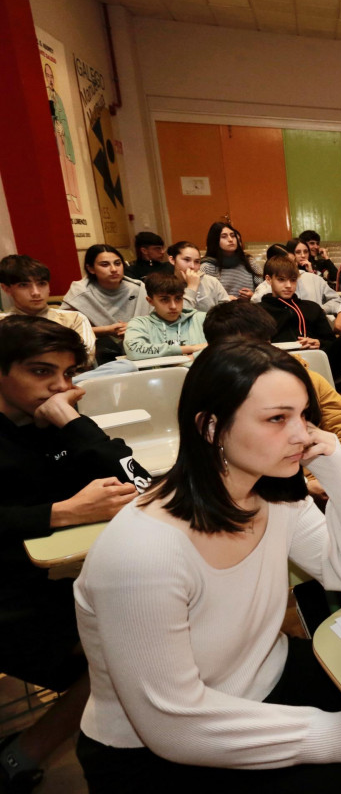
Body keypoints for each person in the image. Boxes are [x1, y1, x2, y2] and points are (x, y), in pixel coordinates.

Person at [72, 341, 341, 791]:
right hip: (158, 748)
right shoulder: (143, 552)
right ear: (210, 428)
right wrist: (337, 737)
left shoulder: (272, 493)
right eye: (277, 419)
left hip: (265, 676)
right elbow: (173, 725)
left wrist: (338, 471)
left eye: (304, 415)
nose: (302, 435)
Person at [0, 317, 149, 792]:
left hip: (67, 578)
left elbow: (139, 482)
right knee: (125, 657)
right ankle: (22, 756)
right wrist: (57, 513)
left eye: (68, 375)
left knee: (149, 635)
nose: (60, 387)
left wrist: (73, 423)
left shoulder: (56, 420)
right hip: (11, 593)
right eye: (42, 373)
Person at [203, 301, 341, 560]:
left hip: (328, 483)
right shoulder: (210, 399)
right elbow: (219, 468)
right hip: (261, 501)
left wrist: (339, 478)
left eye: (265, 343)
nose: (260, 354)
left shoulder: (307, 379)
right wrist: (305, 486)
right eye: (246, 348)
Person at [259, 256, 341, 377]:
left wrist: (319, 343)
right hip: (281, 365)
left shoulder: (312, 307)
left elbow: (330, 341)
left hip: (319, 360)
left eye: (293, 280)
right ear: (269, 280)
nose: (288, 285)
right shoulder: (259, 311)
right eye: (281, 280)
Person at [0, 254, 96, 364]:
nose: (35, 292)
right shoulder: (3, 324)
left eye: (42, 284)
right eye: (23, 285)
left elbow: (85, 359)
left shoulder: (74, 319)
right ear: (6, 289)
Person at [63, 244, 151, 364]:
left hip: (143, 346)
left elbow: (159, 321)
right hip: (98, 351)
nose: (114, 269)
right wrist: (106, 330)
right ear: (91, 269)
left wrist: (135, 327)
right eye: (105, 265)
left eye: (117, 263)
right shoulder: (80, 293)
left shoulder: (139, 288)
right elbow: (65, 329)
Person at [123, 273, 207, 360]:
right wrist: (190, 349)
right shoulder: (140, 324)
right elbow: (133, 352)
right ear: (150, 301)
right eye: (165, 299)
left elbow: (220, 347)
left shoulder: (202, 319)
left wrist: (192, 357)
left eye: (178, 298)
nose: (173, 306)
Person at [251, 245, 341, 315]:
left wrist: (321, 310)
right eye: (286, 262)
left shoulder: (314, 279)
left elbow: (336, 301)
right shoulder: (263, 290)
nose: (292, 266)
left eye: (293, 261)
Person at [199, 222, 260, 300]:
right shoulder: (207, 267)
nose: (231, 240)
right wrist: (224, 299)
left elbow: (264, 288)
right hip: (220, 310)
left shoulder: (249, 262)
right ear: (215, 241)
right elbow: (203, 299)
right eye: (224, 237)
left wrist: (254, 296)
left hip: (248, 309)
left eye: (232, 236)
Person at [167, 240, 230, 313]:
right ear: (172, 260)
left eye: (197, 262)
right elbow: (178, 317)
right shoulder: (164, 285)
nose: (192, 266)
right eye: (186, 260)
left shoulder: (212, 282)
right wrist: (191, 287)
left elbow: (227, 312)